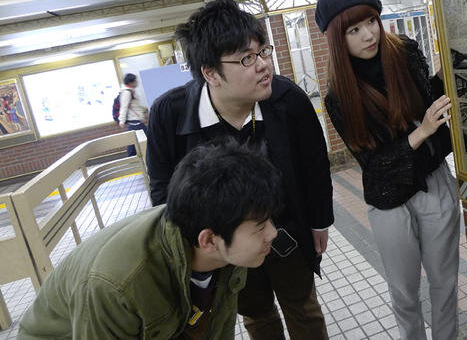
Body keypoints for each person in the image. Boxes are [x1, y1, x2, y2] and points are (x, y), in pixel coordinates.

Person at [146, 0, 333, 340]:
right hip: (225, 246)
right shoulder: (169, 114)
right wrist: (192, 250)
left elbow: (315, 166)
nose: (263, 65)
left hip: (286, 233)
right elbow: (162, 189)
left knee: (303, 308)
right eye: (247, 58)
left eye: (264, 51)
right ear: (210, 73)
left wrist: (319, 221)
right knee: (256, 316)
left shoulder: (287, 100)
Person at [19, 142, 281, 339]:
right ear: (209, 240)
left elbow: (217, 329)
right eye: (260, 227)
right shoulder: (115, 285)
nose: (273, 233)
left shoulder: (225, 246)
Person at [316, 0, 460, 340]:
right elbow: (374, 165)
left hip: (434, 183)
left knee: (445, 283)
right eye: (354, 29)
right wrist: (421, 132)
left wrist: (440, 83)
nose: (368, 34)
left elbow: (431, 112)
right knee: (404, 292)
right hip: (388, 200)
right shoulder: (339, 95)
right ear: (338, 39)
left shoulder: (406, 54)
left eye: (371, 21)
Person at [118, 73, 148, 156]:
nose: (137, 82)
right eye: (135, 81)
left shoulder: (131, 91)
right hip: (135, 122)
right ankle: (132, 159)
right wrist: (122, 121)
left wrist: (143, 113)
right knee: (143, 140)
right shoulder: (127, 93)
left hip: (136, 121)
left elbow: (135, 106)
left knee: (134, 142)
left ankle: (132, 159)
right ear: (131, 82)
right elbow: (124, 107)